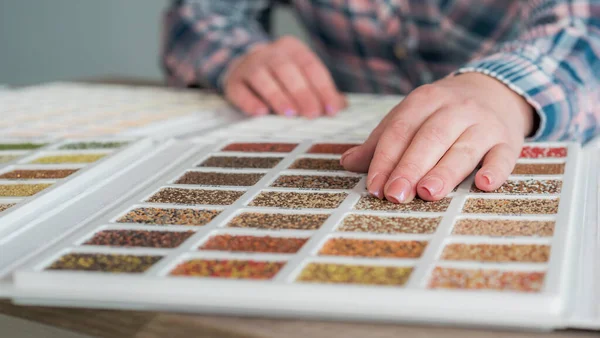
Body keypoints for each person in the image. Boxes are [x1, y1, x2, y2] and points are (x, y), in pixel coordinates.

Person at [162, 0, 600, 204]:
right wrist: (240, 54)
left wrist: (503, 92)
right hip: (341, 129)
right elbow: (198, 13)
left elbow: (586, 28)